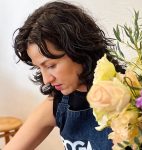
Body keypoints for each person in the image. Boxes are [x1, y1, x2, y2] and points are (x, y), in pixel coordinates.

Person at [4, 1, 124, 150]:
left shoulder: (133, 95)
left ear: (78, 50)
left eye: (50, 66)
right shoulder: (58, 103)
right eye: (39, 68)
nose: (46, 79)